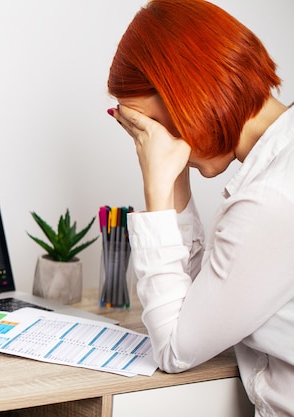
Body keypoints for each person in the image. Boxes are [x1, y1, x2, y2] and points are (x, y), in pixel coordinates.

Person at [106, 1, 294, 416]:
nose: (156, 143)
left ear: (192, 95)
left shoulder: (271, 200)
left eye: (155, 126)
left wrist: (155, 184)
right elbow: (199, 306)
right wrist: (173, 173)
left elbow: (175, 349)